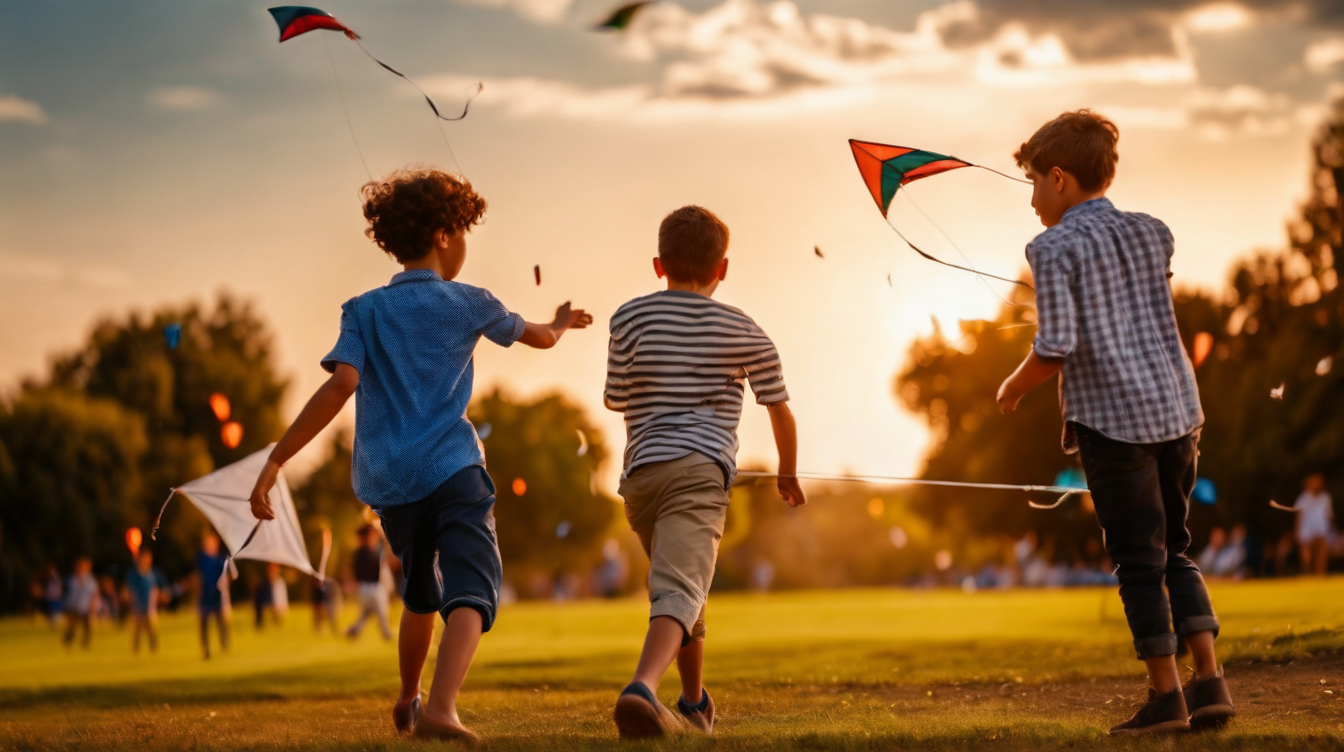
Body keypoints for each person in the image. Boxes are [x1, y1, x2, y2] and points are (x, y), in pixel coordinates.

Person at [246, 167, 592, 742]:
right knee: (472, 581)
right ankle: (442, 708)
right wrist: (558, 321)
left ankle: (409, 697)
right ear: (443, 235)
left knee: (419, 592)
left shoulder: (362, 310)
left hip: (391, 481)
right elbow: (540, 337)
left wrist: (276, 460)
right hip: (454, 468)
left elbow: (339, 386)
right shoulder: (469, 302)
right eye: (463, 232)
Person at [995, 110, 1233, 734]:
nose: (1032, 199)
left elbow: (1056, 345)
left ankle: (1166, 697)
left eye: (1034, 183)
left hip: (1114, 422)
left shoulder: (1051, 247)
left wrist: (1012, 387)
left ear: (1059, 178)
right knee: (1175, 549)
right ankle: (1210, 683)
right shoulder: (1153, 232)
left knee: (1137, 561)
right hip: (1178, 414)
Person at [604, 205, 805, 738]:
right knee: (679, 586)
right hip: (699, 473)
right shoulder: (743, 328)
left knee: (683, 585)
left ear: (658, 265)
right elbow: (779, 408)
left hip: (640, 478)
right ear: (723, 268)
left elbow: (614, 397)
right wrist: (787, 472)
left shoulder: (628, 317)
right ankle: (642, 688)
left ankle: (694, 703)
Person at [346, 524, 393, 640]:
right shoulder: (364, 553)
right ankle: (387, 633)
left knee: (366, 612)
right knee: (381, 611)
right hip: (371, 587)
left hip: (365, 588)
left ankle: (354, 630)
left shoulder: (367, 552)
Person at [124, 548, 167, 653]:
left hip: (150, 605)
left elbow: (160, 586)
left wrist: (161, 594)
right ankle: (136, 649)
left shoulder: (153, 573)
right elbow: (131, 589)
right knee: (137, 628)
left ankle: (153, 647)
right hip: (138, 605)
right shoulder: (135, 574)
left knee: (150, 627)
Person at [1294, 472, 1335, 577]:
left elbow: (1329, 515)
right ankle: (1307, 573)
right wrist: (1297, 530)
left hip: (1321, 527)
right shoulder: (1303, 497)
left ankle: (1320, 574)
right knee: (1306, 552)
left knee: (1321, 552)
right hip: (1307, 528)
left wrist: (1332, 528)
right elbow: (1299, 515)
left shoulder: (1325, 497)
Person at [197, 532, 230, 659]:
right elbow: (198, 577)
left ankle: (224, 644)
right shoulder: (202, 559)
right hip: (205, 597)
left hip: (217, 596)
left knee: (221, 622)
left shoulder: (220, 560)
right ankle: (206, 648)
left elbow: (226, 577)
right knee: (204, 624)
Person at [62, 557, 98, 650]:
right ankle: (67, 642)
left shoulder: (90, 579)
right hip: (73, 605)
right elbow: (68, 592)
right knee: (72, 626)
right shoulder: (72, 578)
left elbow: (94, 593)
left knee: (87, 626)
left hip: (85, 606)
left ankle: (85, 644)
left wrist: (93, 605)